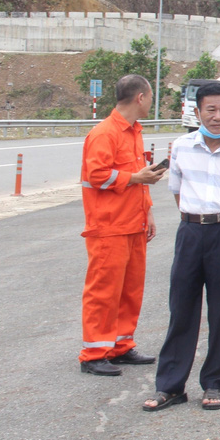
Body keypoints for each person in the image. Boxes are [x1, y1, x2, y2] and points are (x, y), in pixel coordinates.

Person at [143, 81, 220, 412]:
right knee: (181, 307)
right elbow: (177, 192)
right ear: (197, 112)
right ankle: (170, 386)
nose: (218, 116)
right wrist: (199, 217)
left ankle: (214, 383)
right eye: (211, 109)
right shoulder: (181, 147)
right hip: (191, 232)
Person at [79, 74, 166, 376]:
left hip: (133, 223)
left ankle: (120, 345)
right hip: (109, 226)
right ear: (140, 98)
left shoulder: (133, 132)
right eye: (151, 97)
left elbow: (136, 176)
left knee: (130, 290)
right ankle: (93, 354)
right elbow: (98, 175)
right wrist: (136, 178)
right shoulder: (105, 133)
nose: (151, 102)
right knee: (103, 291)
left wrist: (149, 212)